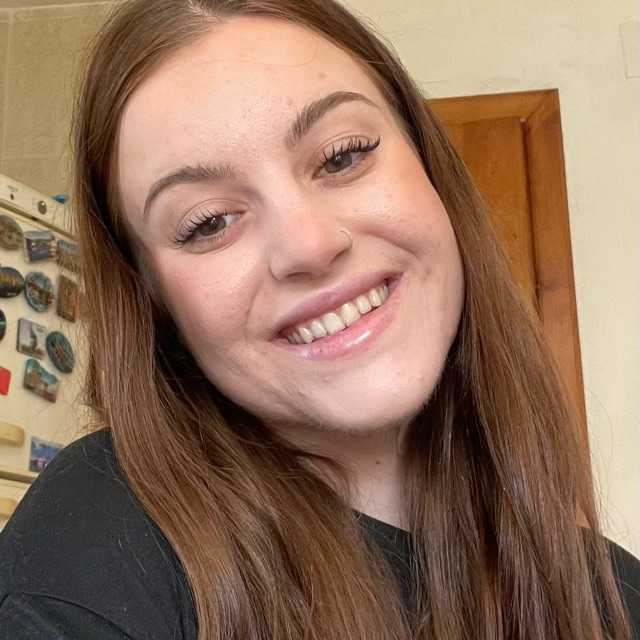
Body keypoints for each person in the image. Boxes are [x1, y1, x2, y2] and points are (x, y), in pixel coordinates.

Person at [1, 0, 638, 638]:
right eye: (208, 222)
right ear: (154, 300)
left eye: (341, 156)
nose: (308, 245)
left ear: (430, 168)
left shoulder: (615, 596)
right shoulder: (94, 548)